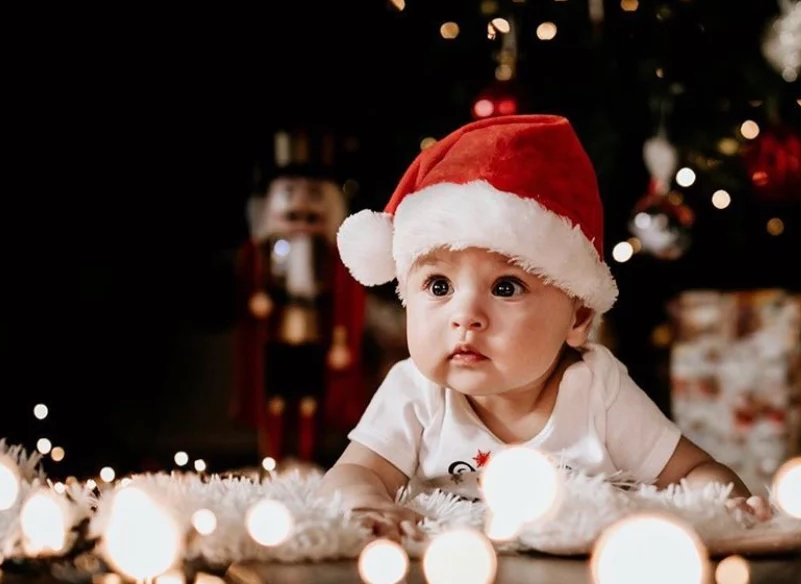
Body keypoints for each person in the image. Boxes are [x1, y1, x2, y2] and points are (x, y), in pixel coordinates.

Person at [318, 114, 769, 540]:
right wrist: (364, 504)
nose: (465, 315)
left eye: (506, 288)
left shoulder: (596, 390)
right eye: (439, 285)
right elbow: (356, 472)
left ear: (577, 319)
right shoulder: (416, 392)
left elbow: (693, 472)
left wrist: (725, 506)